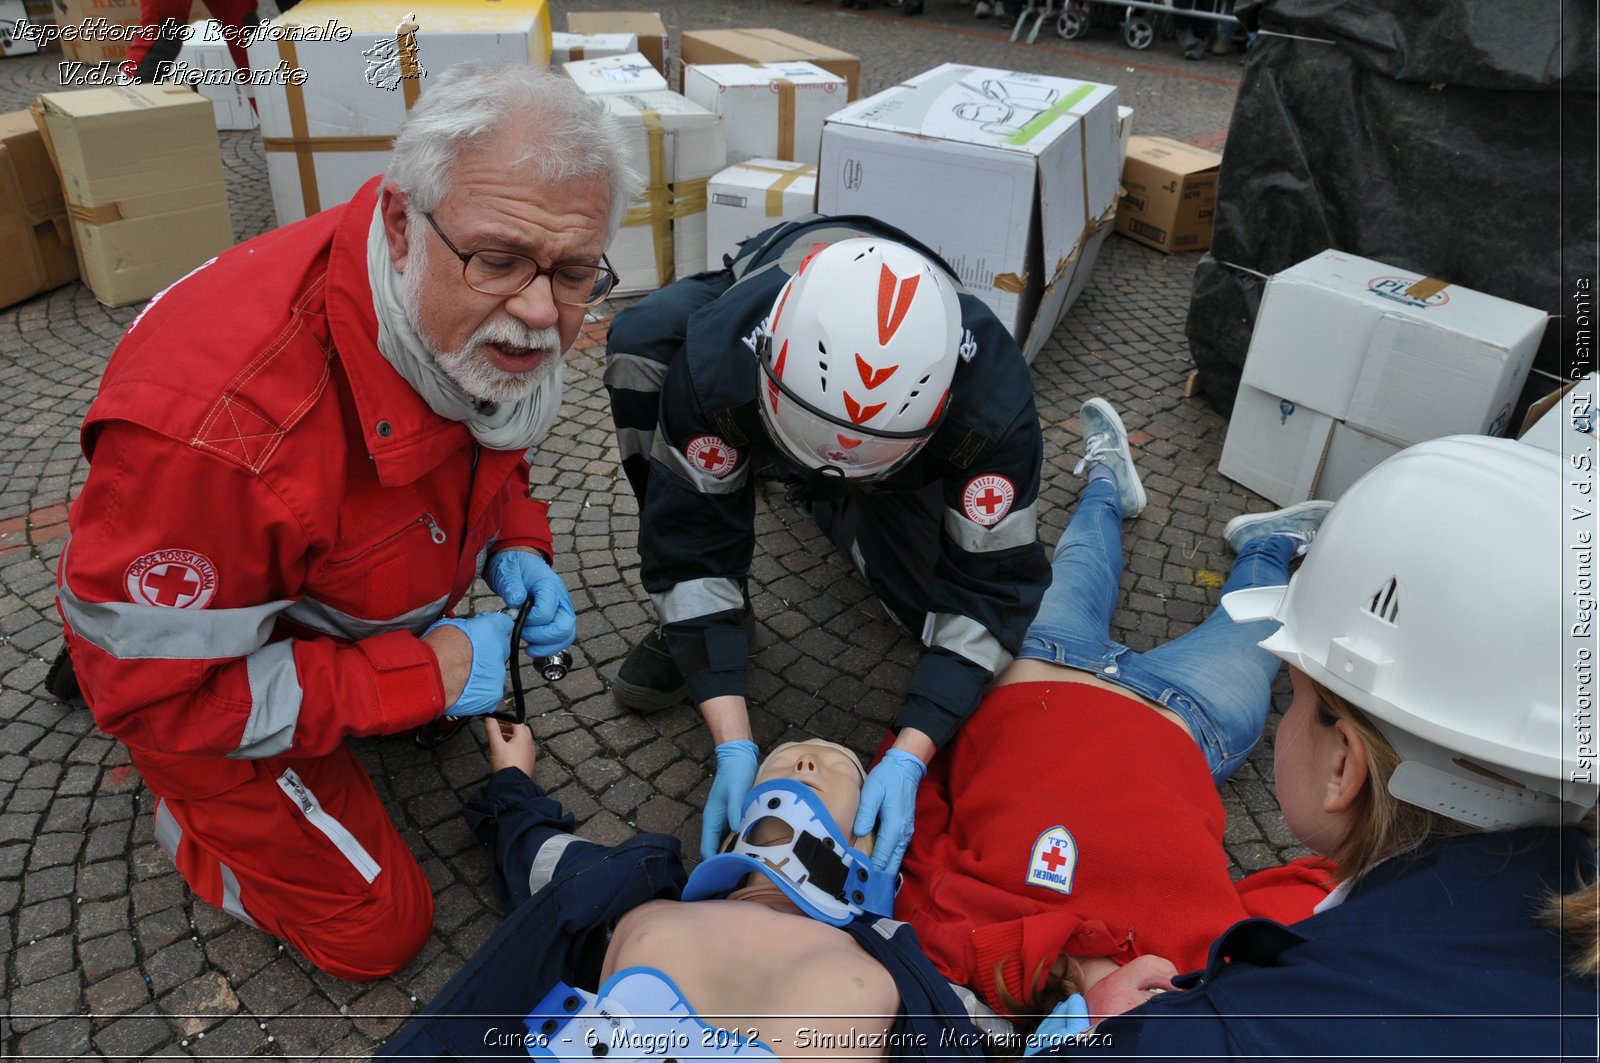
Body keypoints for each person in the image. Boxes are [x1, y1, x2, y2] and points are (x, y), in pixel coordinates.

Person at [53, 63, 640, 980]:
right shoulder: (221, 436)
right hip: (184, 671)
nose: (538, 314)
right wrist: (430, 670)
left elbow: (492, 429)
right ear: (402, 225)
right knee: (375, 933)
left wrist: (516, 540)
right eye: (499, 261)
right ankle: (194, 812)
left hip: (297, 576)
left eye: (573, 272)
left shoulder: (456, 288)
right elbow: (152, 694)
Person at [1060, 434, 1598, 1057]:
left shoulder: (1231, 1035)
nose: (1282, 725)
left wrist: (1103, 1036)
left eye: (1295, 698)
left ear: (1344, 764)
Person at [603, 216, 1050, 872]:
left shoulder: (993, 410)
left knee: (925, 610)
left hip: (900, 456)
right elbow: (691, 545)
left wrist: (909, 753)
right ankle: (697, 615)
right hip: (774, 269)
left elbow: (990, 591)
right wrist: (732, 741)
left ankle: (838, 503)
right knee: (639, 347)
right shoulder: (719, 360)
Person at [894, 396, 1338, 1028]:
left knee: (1079, 561)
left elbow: (905, 830)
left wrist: (914, 746)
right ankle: (1265, 546)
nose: (1162, 1029)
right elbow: (1331, 897)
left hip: (1040, 666)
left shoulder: (972, 948)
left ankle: (1106, 479)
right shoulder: (1217, 970)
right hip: (1192, 715)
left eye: (1128, 1042)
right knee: (1267, 619)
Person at [377, 724, 1004, 1062]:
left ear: (865, 843)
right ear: (736, 823)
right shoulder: (632, 889)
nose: (806, 763)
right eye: (785, 759)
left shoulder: (895, 955)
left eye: (834, 765)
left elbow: (1000, 1030)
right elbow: (537, 859)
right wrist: (512, 779)